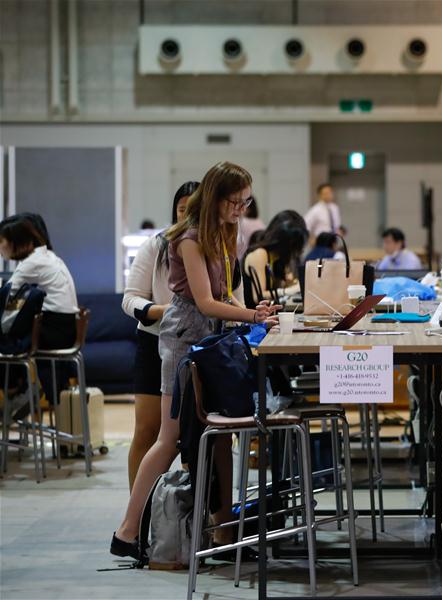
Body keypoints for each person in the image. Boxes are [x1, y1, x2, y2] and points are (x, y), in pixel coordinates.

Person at [111, 161, 280, 561]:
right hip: (182, 341)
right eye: (236, 202)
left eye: (246, 201)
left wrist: (255, 309)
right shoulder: (187, 237)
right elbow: (204, 302)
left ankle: (221, 533)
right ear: (217, 198)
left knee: (217, 436)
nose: (243, 209)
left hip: (210, 341)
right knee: (168, 439)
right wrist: (252, 316)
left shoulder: (224, 232)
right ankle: (128, 529)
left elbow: (225, 295)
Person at [120, 181, 196, 490]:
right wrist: (163, 311)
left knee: (195, 435)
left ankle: (191, 515)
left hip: (201, 348)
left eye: (196, 211)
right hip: (155, 342)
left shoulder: (219, 246)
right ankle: (138, 514)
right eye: (182, 210)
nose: (188, 217)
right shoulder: (157, 244)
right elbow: (130, 299)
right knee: (148, 430)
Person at [0, 215, 79, 411]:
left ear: (19, 242)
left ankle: (19, 391)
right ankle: (22, 390)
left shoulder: (30, 264)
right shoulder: (49, 257)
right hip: (66, 329)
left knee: (5, 342)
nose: (0, 248)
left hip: (53, 332)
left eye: (1, 242)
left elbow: (6, 294)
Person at [243, 214, 308, 305]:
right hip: (253, 316)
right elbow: (258, 297)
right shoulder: (260, 254)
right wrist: (290, 290)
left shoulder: (275, 257)